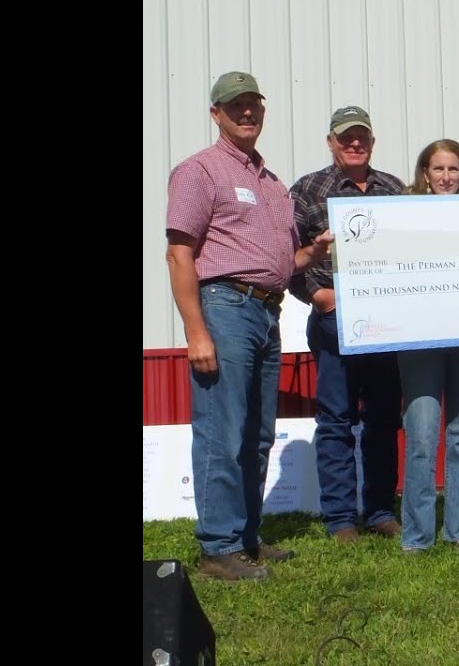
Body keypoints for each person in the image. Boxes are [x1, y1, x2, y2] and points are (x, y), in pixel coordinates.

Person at [165, 71, 333, 580]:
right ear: (215, 113)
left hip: (266, 310)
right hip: (224, 308)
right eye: (235, 105)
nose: (246, 112)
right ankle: (218, 548)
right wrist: (196, 331)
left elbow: (280, 262)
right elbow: (179, 254)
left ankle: (246, 538)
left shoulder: (272, 183)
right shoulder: (199, 170)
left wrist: (312, 253)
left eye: (253, 103)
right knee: (223, 429)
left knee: (257, 435)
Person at [288, 106, 404, 543]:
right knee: (336, 420)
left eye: (362, 137)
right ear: (331, 142)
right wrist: (315, 296)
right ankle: (340, 518)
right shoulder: (307, 189)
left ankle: (379, 510)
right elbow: (287, 256)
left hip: (387, 324)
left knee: (383, 419)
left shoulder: (394, 188)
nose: (355, 143)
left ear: (371, 141)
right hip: (333, 320)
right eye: (346, 137)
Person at [397, 140, 459, 554]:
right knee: (421, 434)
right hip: (419, 338)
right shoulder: (403, 217)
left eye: (454, 169)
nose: (446, 177)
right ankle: (417, 535)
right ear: (425, 173)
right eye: (438, 169)